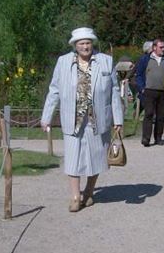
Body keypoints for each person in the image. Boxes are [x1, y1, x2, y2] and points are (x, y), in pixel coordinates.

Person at [41, 27, 124, 212]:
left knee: (96, 157)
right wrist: (46, 117)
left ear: (92, 43)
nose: (85, 47)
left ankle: (88, 192)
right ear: (75, 45)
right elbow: (54, 90)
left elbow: (114, 91)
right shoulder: (63, 62)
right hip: (72, 118)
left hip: (98, 118)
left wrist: (118, 118)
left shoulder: (106, 61)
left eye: (88, 43)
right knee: (73, 158)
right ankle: (75, 196)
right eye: (81, 43)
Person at [134, 37, 164, 146]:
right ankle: (146, 138)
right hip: (148, 91)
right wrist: (142, 88)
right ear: (154, 48)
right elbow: (138, 75)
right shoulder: (145, 59)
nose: (163, 49)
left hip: (163, 92)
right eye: (161, 47)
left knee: (160, 116)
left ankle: (158, 138)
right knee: (148, 114)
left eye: (163, 47)